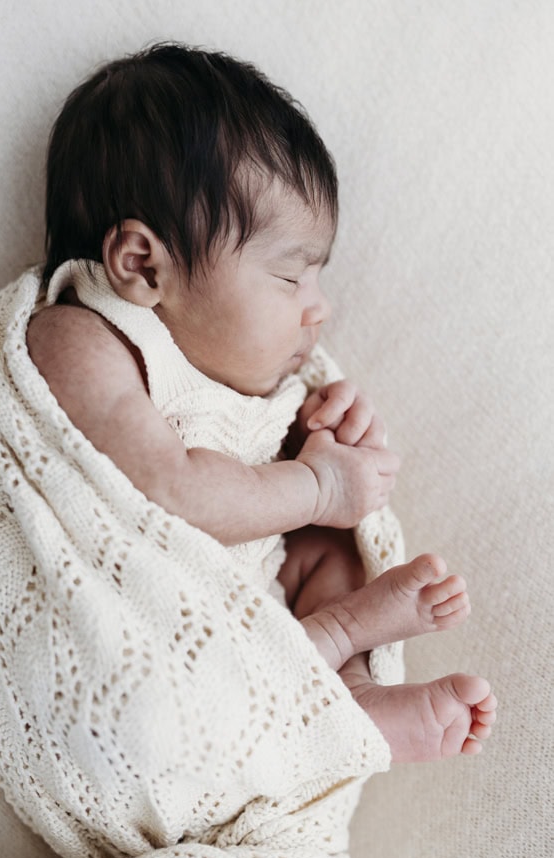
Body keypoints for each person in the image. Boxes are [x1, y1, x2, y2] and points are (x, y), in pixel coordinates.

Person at [26, 42, 496, 764]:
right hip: (152, 657)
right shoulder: (79, 336)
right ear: (143, 265)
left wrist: (310, 439)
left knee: (324, 544)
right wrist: (316, 484)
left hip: (251, 601)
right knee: (310, 525)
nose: (319, 310)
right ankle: (336, 638)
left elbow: (249, 476)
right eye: (289, 278)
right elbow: (170, 494)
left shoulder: (230, 365)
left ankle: (348, 690)